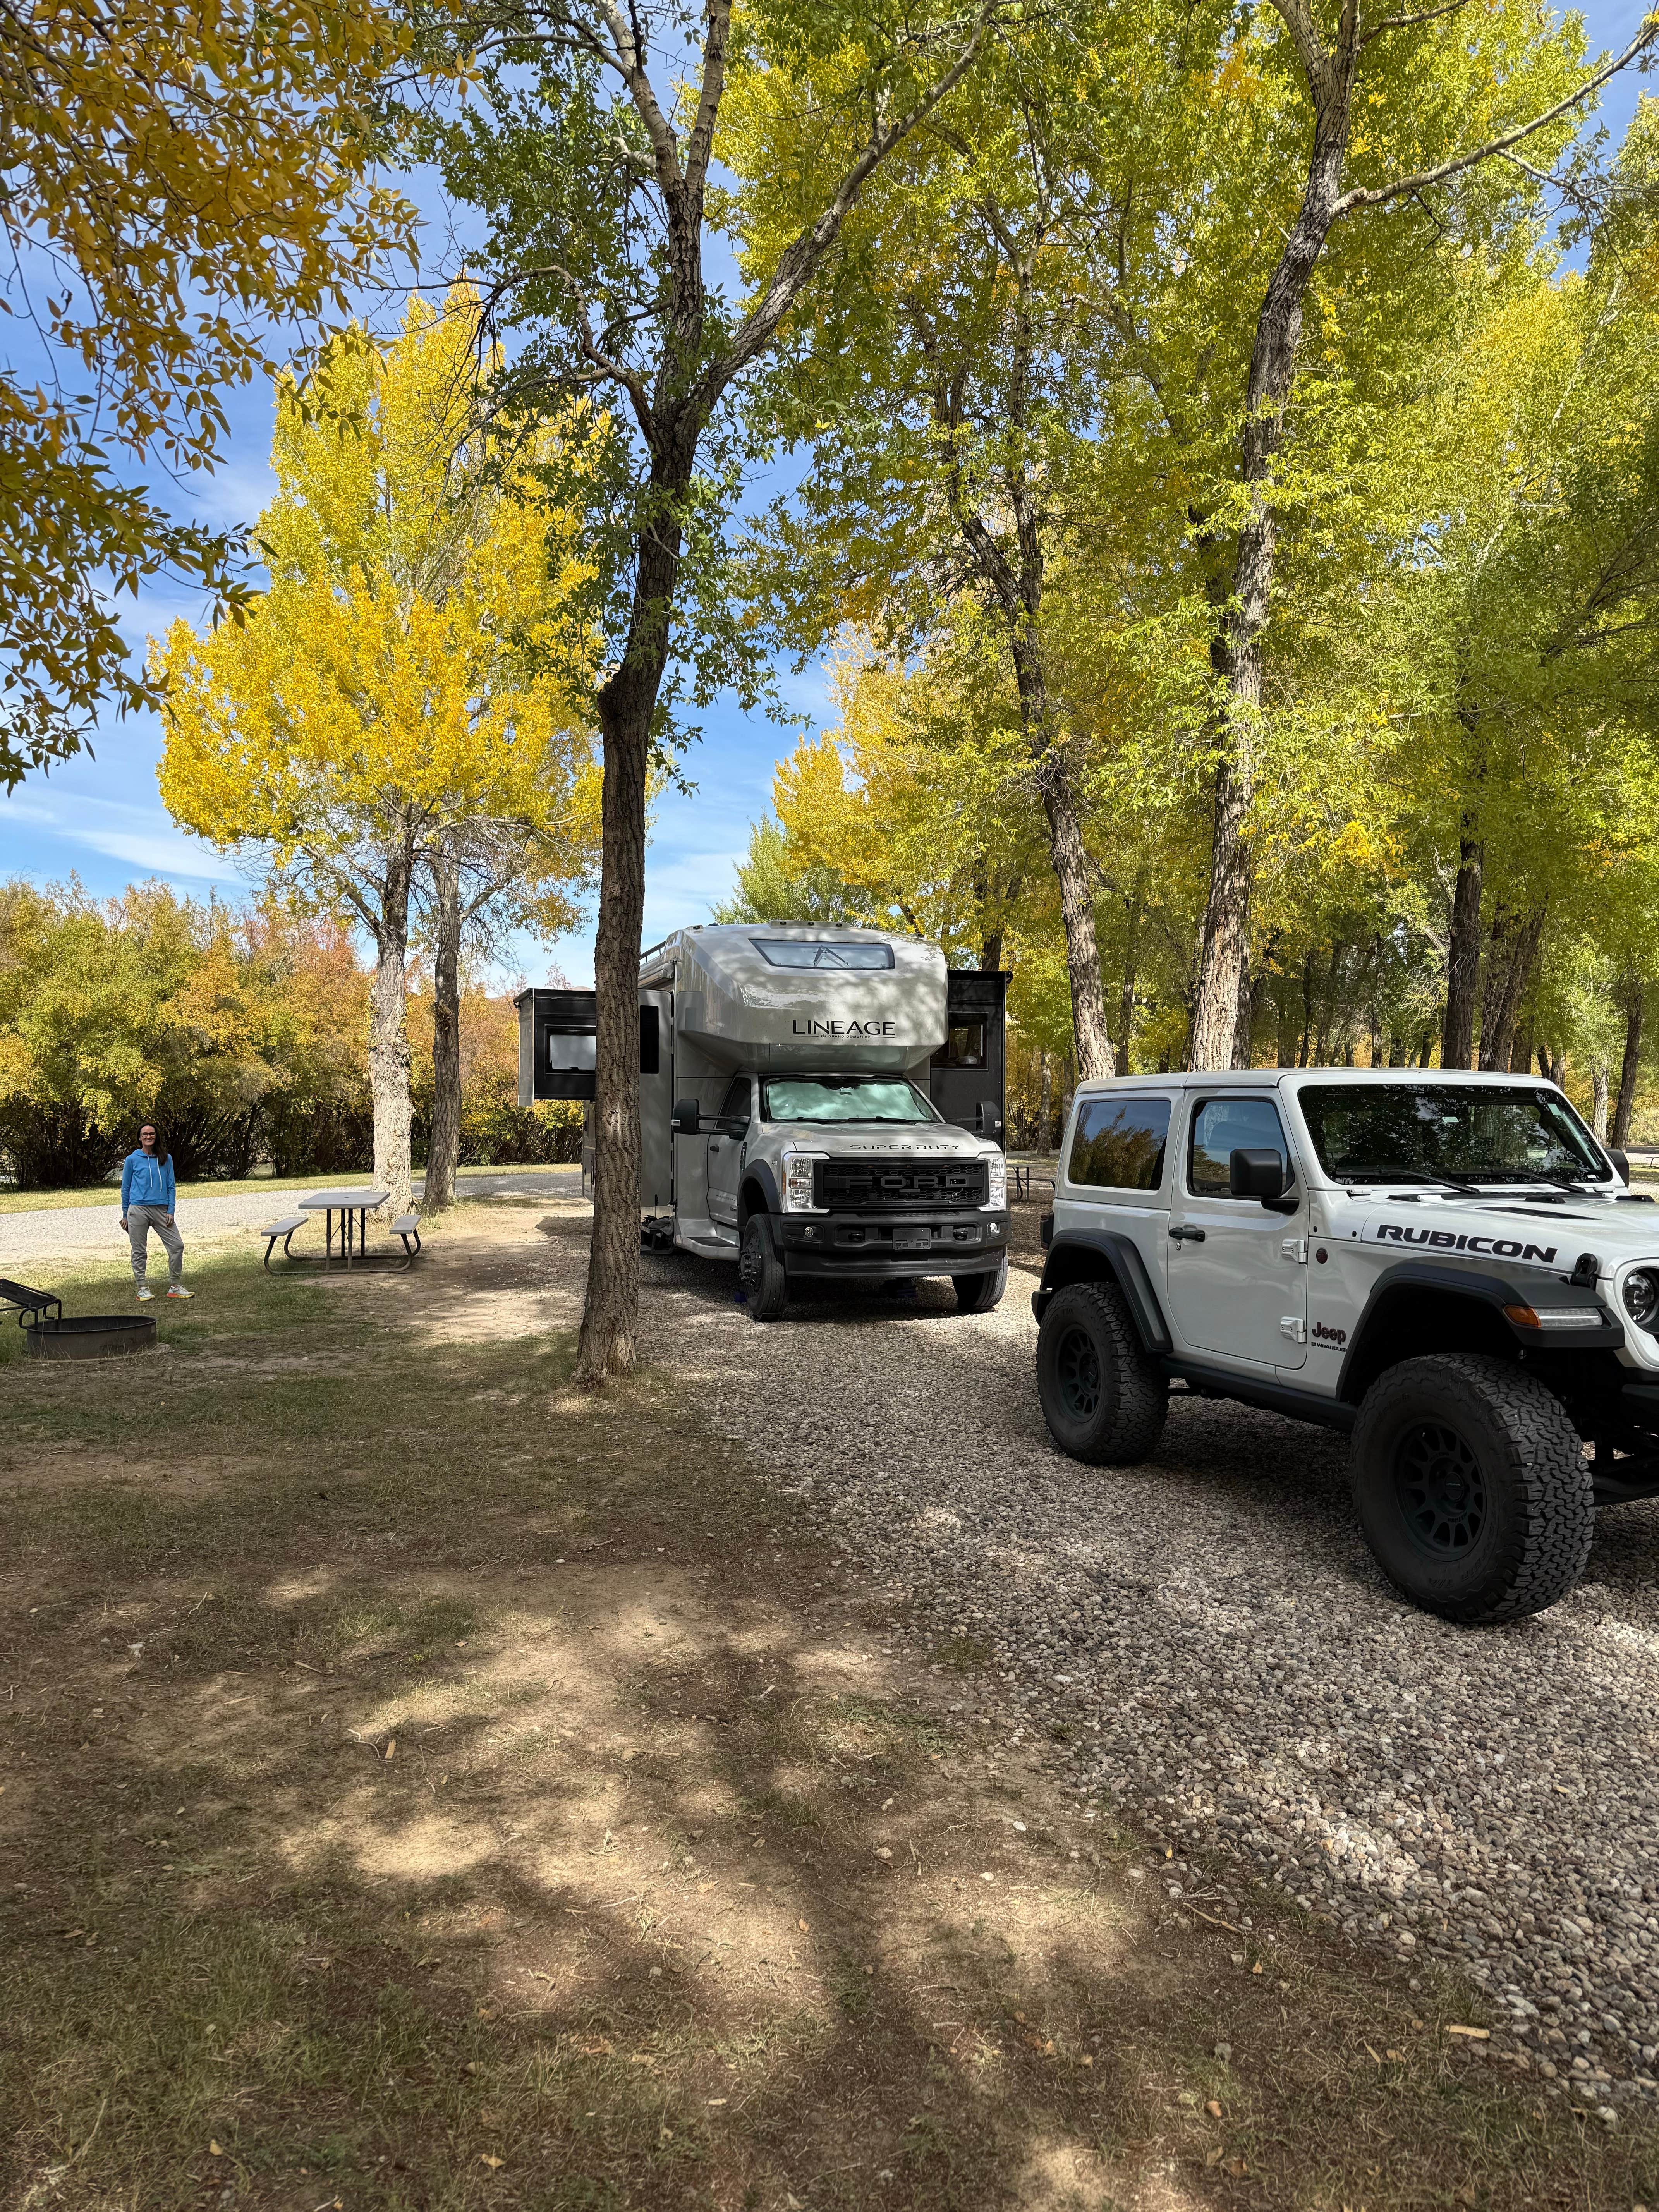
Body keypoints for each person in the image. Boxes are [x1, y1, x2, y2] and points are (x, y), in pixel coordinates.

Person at [120, 1124, 192, 1301]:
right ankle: (142, 1288)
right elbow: (126, 1188)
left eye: (151, 1134)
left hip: (162, 1210)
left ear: (156, 1136)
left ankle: (175, 1286)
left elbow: (171, 1186)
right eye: (145, 1134)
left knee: (177, 1246)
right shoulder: (132, 1159)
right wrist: (125, 1214)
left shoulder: (166, 1159)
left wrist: (171, 1210)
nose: (148, 1137)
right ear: (140, 1137)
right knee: (139, 1251)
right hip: (138, 1210)